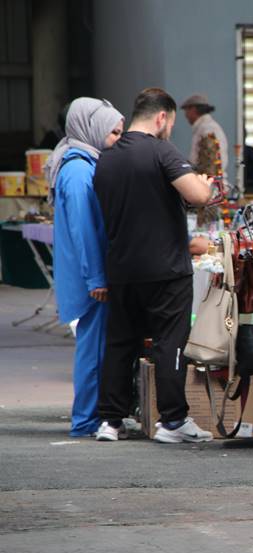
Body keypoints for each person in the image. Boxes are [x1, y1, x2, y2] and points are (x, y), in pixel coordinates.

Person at [93, 87, 220, 443]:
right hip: (165, 268)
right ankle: (173, 420)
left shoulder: (107, 158)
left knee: (120, 343)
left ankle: (110, 420)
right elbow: (196, 195)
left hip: (121, 268)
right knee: (169, 342)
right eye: (170, 123)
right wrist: (204, 185)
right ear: (161, 117)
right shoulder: (161, 150)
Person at [45, 97, 124, 437]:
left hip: (89, 273)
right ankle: (86, 420)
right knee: (93, 349)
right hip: (89, 276)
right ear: (91, 129)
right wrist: (96, 276)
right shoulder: (78, 171)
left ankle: (96, 415)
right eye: (113, 133)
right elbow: (83, 229)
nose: (118, 140)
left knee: (97, 346)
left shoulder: (82, 162)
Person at [181, 93, 229, 181]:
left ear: (193, 109)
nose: (186, 115)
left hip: (209, 183)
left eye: (186, 111)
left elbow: (210, 163)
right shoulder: (206, 127)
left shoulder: (207, 129)